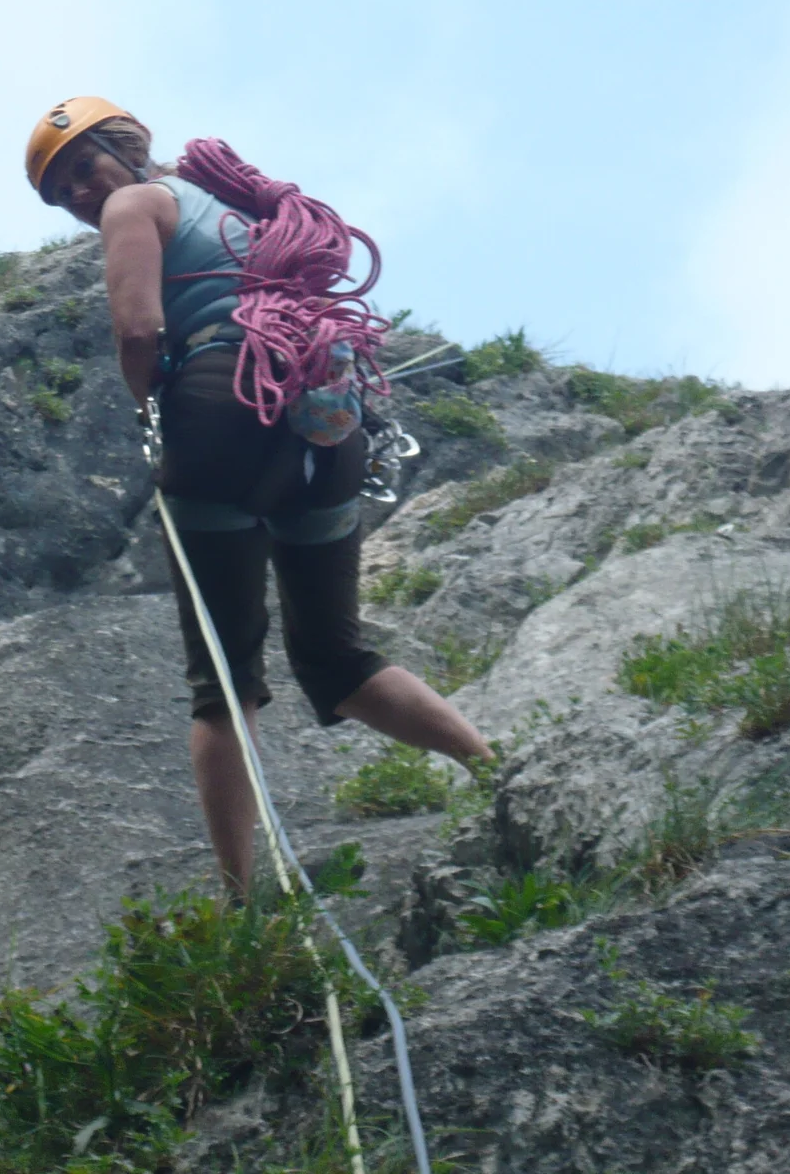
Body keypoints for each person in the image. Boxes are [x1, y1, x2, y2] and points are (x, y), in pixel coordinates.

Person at [25, 97, 493, 894]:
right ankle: (493, 769)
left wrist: (149, 407)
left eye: (79, 168)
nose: (76, 194)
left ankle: (243, 900)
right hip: (323, 419)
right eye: (58, 191)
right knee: (337, 660)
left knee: (222, 683)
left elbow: (139, 331)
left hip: (218, 411)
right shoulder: (245, 207)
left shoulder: (135, 204)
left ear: (125, 146)